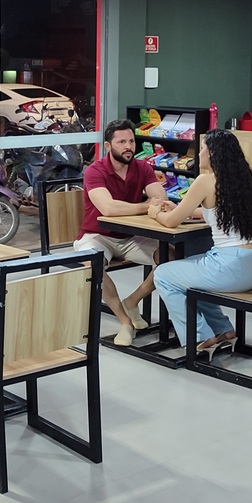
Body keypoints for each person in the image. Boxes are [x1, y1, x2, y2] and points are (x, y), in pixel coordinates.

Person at [143, 129, 252, 357]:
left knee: (163, 275)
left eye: (202, 148)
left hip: (231, 270)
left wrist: (155, 213)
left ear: (213, 153)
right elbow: (219, 213)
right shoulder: (240, 180)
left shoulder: (205, 180)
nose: (199, 153)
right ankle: (222, 329)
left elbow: (170, 222)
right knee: (189, 272)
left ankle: (199, 336)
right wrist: (183, 210)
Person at [75, 119, 173, 346]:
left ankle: (132, 301)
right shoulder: (94, 171)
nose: (128, 146)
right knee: (93, 263)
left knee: (171, 257)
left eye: (131, 141)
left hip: (132, 236)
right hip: (97, 235)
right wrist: (145, 206)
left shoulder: (143, 167)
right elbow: (108, 209)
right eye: (121, 142)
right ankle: (125, 321)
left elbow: (161, 199)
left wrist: (144, 205)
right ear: (108, 146)